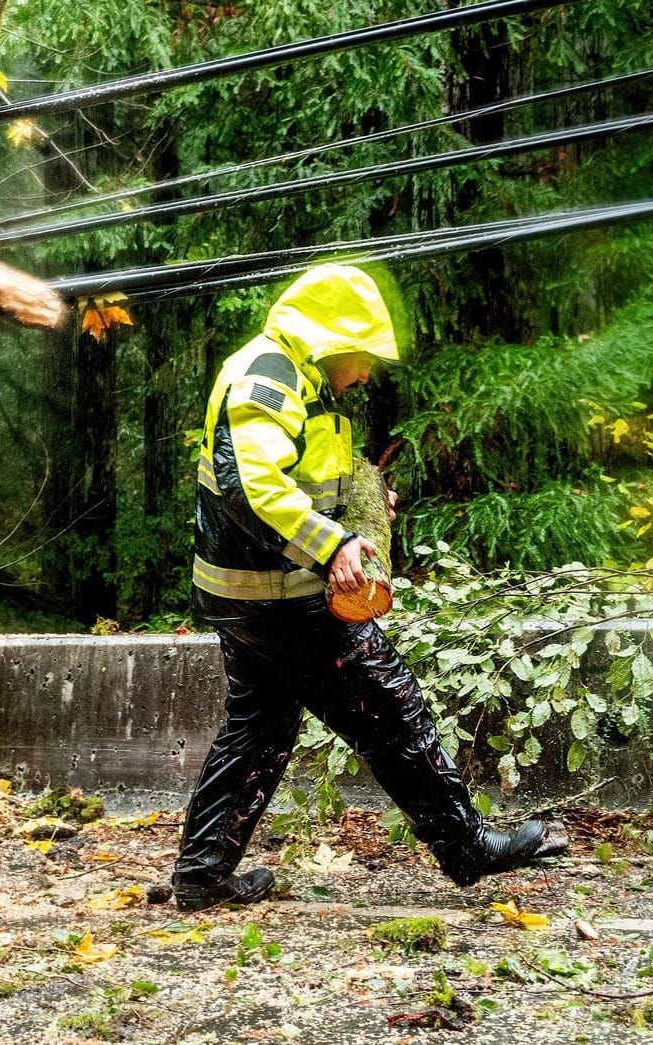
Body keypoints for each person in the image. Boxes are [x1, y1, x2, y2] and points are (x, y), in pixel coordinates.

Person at [172, 262, 566, 912]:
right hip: (282, 599)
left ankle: (200, 872)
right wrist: (331, 545)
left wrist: (358, 516)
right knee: (393, 709)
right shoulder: (268, 374)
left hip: (249, 596)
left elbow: (297, 479)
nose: (365, 374)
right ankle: (466, 847)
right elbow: (250, 482)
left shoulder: (295, 380)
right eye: (361, 359)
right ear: (331, 339)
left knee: (258, 728)